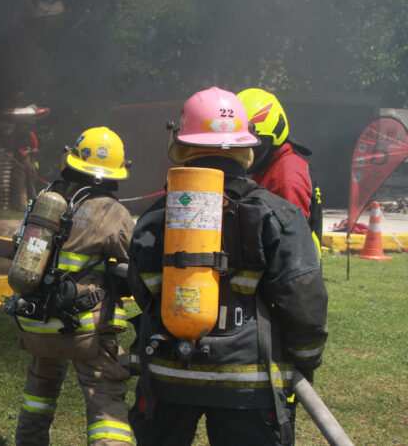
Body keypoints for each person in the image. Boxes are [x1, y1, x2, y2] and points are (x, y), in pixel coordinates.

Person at [126, 87, 328, 446]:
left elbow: (142, 288)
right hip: (246, 383)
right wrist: (305, 359)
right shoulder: (276, 214)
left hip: (167, 376)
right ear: (246, 148)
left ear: (182, 144)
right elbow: (303, 296)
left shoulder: (157, 216)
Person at [10, 126, 136, 446]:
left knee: (39, 393)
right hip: (85, 330)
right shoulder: (113, 213)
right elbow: (135, 261)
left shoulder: (45, 202)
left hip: (36, 322)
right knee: (105, 397)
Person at [237, 88, 323, 249]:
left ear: (275, 134)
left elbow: (289, 241)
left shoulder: (287, 177)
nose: (244, 152)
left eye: (253, 144)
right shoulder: (269, 166)